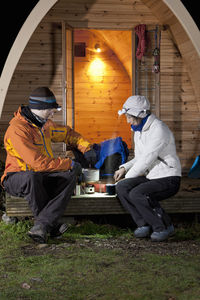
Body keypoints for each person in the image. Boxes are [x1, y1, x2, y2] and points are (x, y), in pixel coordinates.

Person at [1, 87, 96, 243]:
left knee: (69, 176)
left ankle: (42, 226)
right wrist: (68, 163)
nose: (54, 113)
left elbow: (68, 134)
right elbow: (37, 163)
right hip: (16, 177)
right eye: (51, 110)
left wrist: (86, 148)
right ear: (39, 108)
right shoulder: (17, 130)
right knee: (32, 176)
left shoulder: (45, 125)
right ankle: (49, 225)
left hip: (41, 175)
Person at [114, 95, 181, 242]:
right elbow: (139, 158)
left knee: (137, 193)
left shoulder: (159, 129)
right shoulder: (139, 130)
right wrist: (124, 168)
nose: (127, 121)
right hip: (151, 176)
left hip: (168, 177)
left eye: (129, 117)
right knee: (122, 188)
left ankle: (162, 227)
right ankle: (143, 224)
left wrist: (128, 176)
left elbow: (147, 159)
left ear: (139, 114)